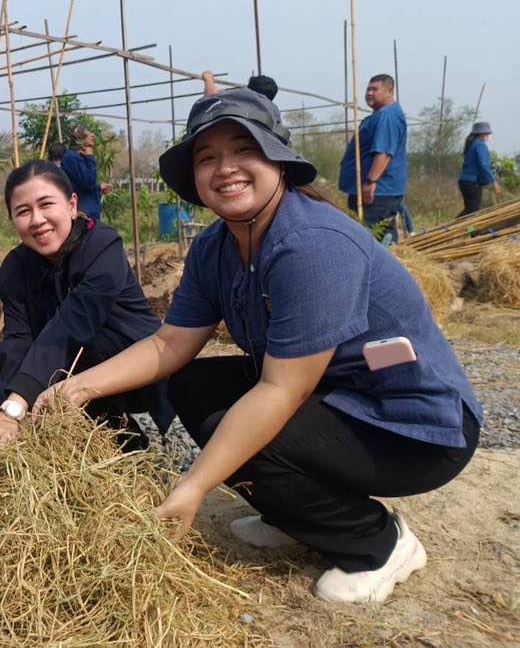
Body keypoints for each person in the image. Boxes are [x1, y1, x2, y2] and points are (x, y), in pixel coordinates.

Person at [32, 89, 482, 604]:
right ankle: (299, 517)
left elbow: (279, 391)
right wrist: (74, 389)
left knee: (242, 433)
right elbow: (171, 344)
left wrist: (193, 487)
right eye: (207, 158)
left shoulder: (313, 245)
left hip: (411, 425)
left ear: (280, 161)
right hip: (336, 398)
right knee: (191, 386)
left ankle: (378, 544)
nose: (226, 169)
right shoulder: (214, 246)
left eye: (244, 150)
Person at [0, 160, 174, 451]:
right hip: (63, 360)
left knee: (73, 361)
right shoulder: (15, 268)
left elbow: (72, 325)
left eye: (46, 204)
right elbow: (18, 339)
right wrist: (6, 406)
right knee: (4, 395)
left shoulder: (101, 246)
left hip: (130, 362)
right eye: (23, 211)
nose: (37, 220)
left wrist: (18, 404)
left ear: (71, 205)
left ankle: (123, 445)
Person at [339, 74, 408, 241]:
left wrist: (371, 182)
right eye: (368, 89)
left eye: (375, 89)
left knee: (368, 237)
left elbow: (383, 153)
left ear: (389, 91)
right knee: (385, 236)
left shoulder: (387, 116)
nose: (369, 93)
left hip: (378, 191)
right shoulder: (383, 115)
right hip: (381, 190)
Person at [60, 125, 111, 222]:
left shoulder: (80, 157)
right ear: (79, 138)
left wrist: (99, 187)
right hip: (82, 216)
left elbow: (84, 186)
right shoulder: (71, 158)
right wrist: (91, 158)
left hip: (89, 214)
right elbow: (88, 182)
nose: (93, 135)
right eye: (87, 133)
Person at [457, 121, 501, 216]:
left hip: (465, 181)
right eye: (487, 133)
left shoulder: (472, 145)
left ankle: (465, 229)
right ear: (481, 134)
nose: (489, 135)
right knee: (472, 211)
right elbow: (484, 165)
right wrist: (493, 182)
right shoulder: (480, 145)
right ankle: (451, 229)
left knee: (470, 209)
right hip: (472, 182)